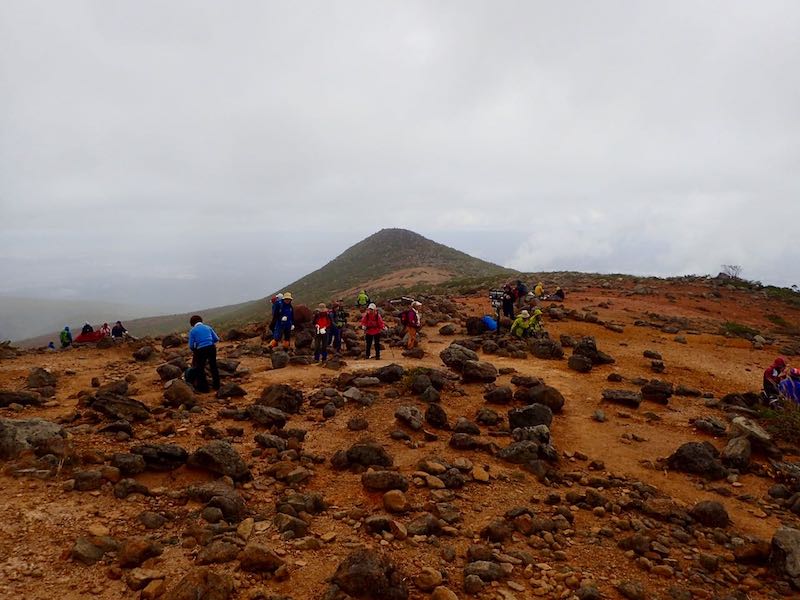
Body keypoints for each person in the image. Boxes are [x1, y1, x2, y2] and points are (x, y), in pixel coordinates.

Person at [188, 315, 220, 393]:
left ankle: (204, 389)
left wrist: (196, 349)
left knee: (200, 368)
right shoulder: (208, 327)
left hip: (201, 350)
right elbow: (216, 338)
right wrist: (209, 342)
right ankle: (217, 386)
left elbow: (191, 345)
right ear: (201, 321)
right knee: (213, 366)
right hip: (211, 348)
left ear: (192, 323)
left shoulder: (193, 331)